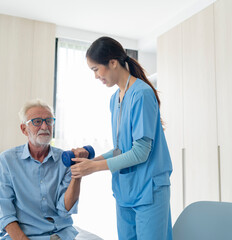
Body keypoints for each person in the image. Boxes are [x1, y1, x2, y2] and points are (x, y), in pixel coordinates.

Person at [71, 36, 173, 240]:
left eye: (95, 69)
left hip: (148, 190)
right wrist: (91, 162)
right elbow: (121, 149)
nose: (95, 76)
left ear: (113, 63)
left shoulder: (141, 94)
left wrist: (94, 167)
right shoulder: (115, 99)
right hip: (125, 190)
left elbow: (140, 152)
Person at [0, 99, 89, 240]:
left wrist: (77, 173)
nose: (44, 126)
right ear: (24, 129)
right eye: (37, 121)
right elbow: (5, 212)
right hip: (22, 236)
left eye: (49, 121)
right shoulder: (7, 160)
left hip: (59, 233)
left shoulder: (65, 159)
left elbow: (64, 209)